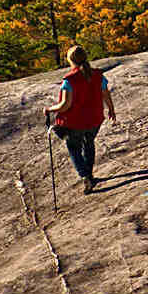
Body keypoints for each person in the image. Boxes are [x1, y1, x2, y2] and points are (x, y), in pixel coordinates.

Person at [44, 45, 116, 193]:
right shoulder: (98, 75)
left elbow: (65, 105)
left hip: (75, 122)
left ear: (70, 60)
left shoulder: (70, 80)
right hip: (95, 119)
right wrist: (111, 109)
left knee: (74, 147)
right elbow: (105, 94)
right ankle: (89, 174)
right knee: (89, 143)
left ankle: (85, 176)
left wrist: (49, 109)